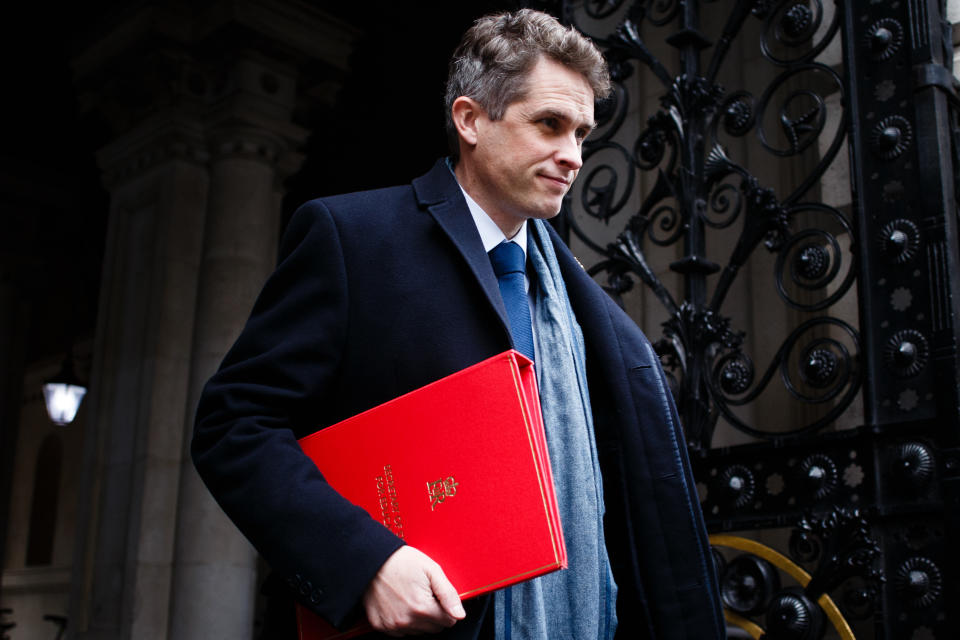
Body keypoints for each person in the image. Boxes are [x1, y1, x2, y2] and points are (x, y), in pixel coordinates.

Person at [192, 9, 724, 640]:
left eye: (582, 133)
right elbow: (233, 425)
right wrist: (365, 563)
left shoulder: (581, 300)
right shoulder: (352, 238)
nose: (573, 156)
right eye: (549, 125)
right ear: (470, 119)